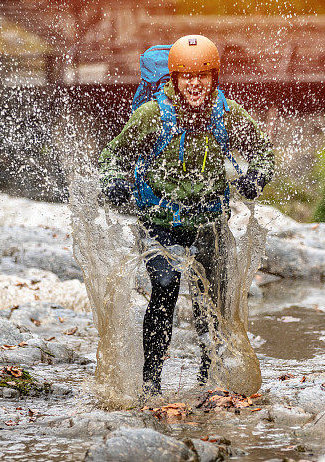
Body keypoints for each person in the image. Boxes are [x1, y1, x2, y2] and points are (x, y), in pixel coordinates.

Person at [98, 34, 274, 396]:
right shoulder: (152, 115)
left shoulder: (227, 113)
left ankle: (209, 384)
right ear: (175, 80)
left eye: (203, 76)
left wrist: (257, 175)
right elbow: (113, 156)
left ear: (214, 78)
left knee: (210, 302)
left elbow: (264, 153)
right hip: (159, 220)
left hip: (208, 222)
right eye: (187, 77)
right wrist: (114, 181)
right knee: (164, 289)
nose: (195, 84)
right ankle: (151, 385)